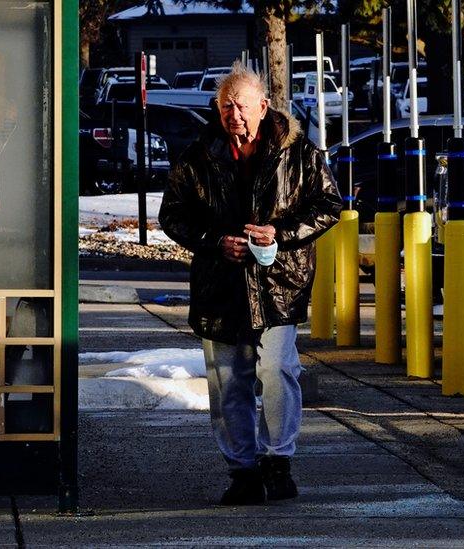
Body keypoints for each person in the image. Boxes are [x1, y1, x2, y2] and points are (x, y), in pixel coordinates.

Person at [159, 62, 341, 505]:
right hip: (219, 284)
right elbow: (173, 215)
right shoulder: (198, 155)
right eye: (226, 106)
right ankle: (242, 470)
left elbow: (329, 204)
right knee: (227, 380)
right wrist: (214, 241)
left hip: (280, 282)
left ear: (264, 106)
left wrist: (281, 233)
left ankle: (279, 462)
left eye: (241, 105)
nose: (233, 114)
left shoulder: (300, 153)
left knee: (278, 370)